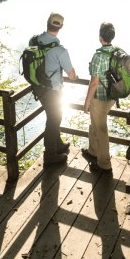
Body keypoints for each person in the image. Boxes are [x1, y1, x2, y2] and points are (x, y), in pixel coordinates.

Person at [32, 12, 78, 166]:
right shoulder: (60, 50)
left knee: (54, 117)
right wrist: (75, 76)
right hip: (52, 90)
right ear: (61, 27)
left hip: (38, 87)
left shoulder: (35, 40)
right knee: (54, 119)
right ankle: (50, 154)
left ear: (47, 23)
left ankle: (57, 144)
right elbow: (71, 75)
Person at [83, 22, 117, 173]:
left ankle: (104, 165)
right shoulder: (116, 52)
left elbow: (94, 82)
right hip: (113, 96)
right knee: (95, 124)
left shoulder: (99, 56)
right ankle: (93, 151)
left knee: (101, 129)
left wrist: (87, 101)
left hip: (100, 98)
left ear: (100, 37)